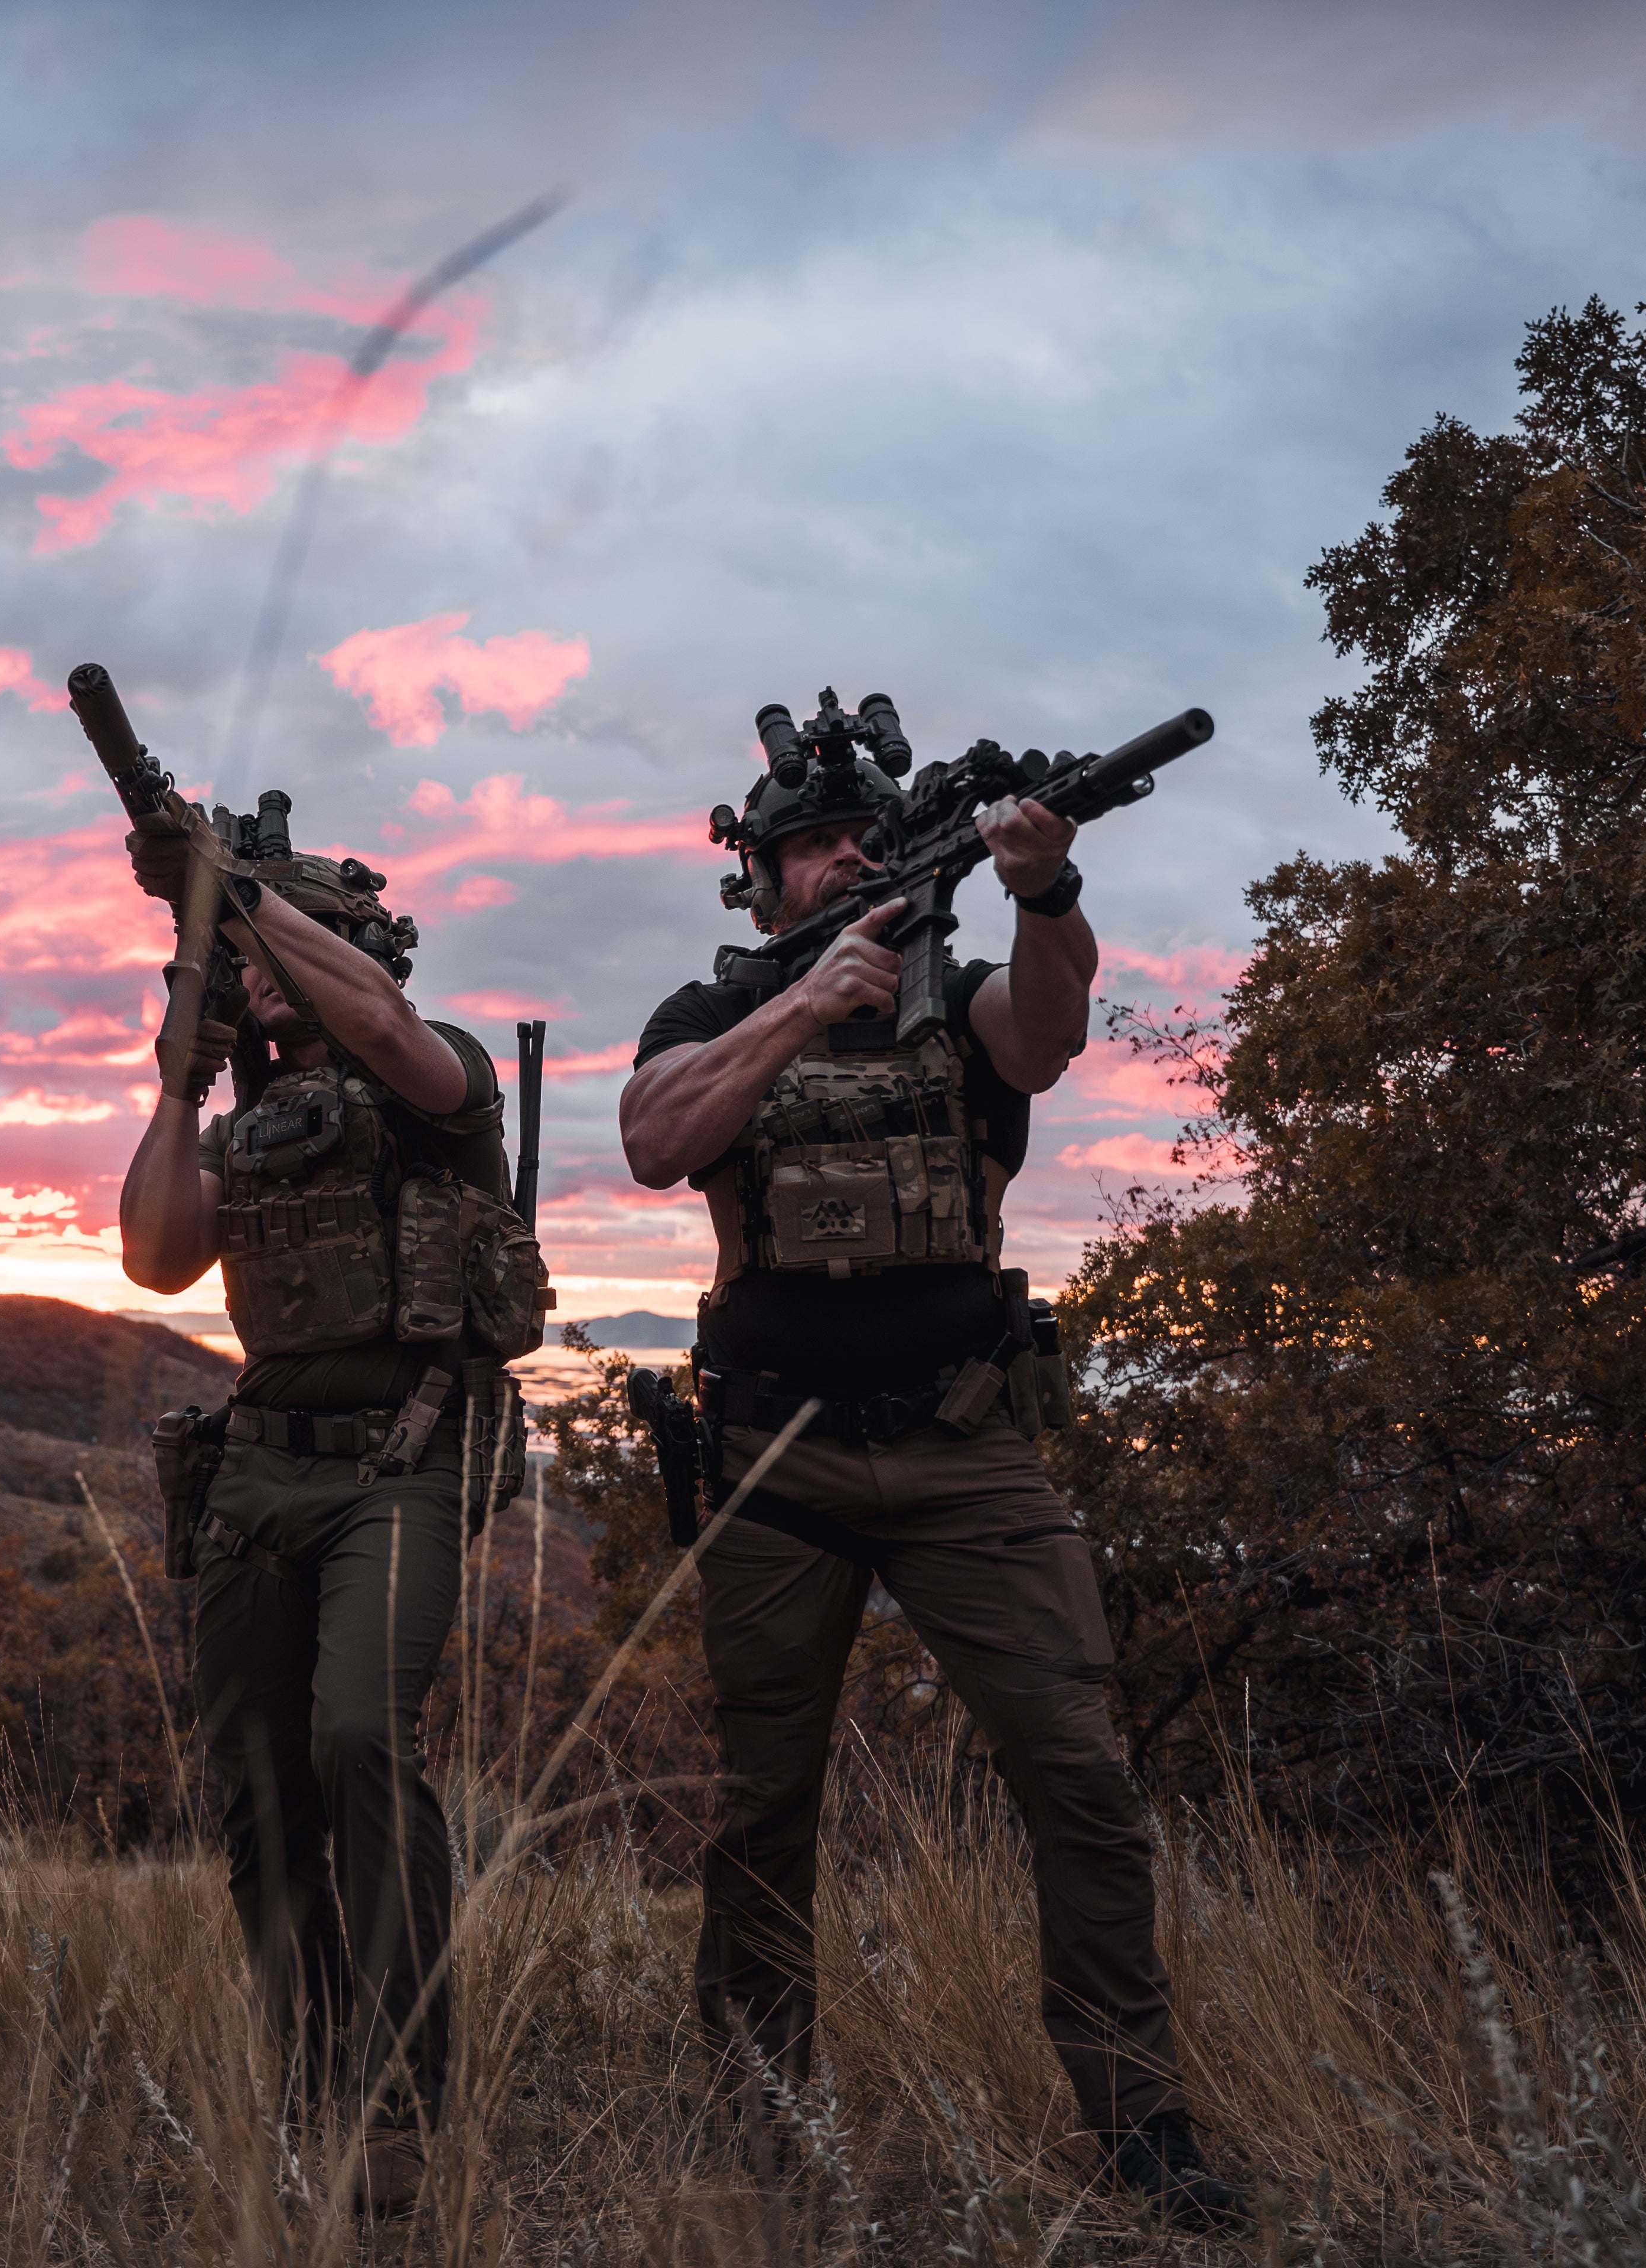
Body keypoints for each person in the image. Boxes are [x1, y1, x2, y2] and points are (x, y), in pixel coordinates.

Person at [615, 711, 1250, 2230]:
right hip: (774, 1459)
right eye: (813, 845)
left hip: (968, 1445)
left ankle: (1139, 2125)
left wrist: (1047, 896)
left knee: (1080, 1779)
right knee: (762, 1804)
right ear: (760, 879)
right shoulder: (712, 1003)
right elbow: (652, 1140)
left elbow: (1046, 1036)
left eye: (863, 836)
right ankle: (765, 2112)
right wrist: (792, 1011)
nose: (844, 858)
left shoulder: (960, 993)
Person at [116, 801, 545, 2218]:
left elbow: (388, 1023)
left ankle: (406, 2104)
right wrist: (180, 1083)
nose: (254, 974)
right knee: (255, 1785)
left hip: (406, 1459)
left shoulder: (439, 1078)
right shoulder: (245, 1122)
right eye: (236, 959)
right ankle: (307, 2089)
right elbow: (157, 1257)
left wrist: (234, 898)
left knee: (363, 1738)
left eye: (272, 947)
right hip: (258, 1469)